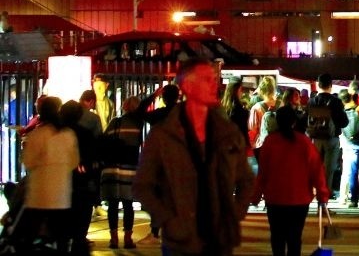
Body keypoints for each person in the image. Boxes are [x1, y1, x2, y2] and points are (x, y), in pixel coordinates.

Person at [133, 57, 255, 256]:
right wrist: (168, 220)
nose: (214, 84)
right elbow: (142, 186)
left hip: (219, 240)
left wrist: (234, 214)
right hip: (181, 242)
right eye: (206, 79)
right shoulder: (164, 135)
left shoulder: (227, 132)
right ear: (188, 86)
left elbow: (247, 180)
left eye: (214, 79)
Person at [252, 105, 331, 256]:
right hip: (299, 199)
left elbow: (263, 173)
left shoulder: (270, 142)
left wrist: (256, 195)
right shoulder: (304, 142)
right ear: (294, 122)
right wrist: (322, 194)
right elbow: (317, 170)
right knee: (294, 237)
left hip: (275, 198)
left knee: (277, 237)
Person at [19, 95, 79, 254]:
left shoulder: (37, 135)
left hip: (38, 195)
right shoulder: (68, 135)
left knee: (30, 236)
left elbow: (28, 161)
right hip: (61, 195)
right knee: (61, 238)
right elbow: (74, 162)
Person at [99, 95, 144, 249]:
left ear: (124, 107)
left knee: (113, 205)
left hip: (112, 167)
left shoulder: (114, 122)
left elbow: (103, 140)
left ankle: (114, 239)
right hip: (129, 167)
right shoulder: (138, 124)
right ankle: (128, 239)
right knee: (128, 205)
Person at [59, 99, 100, 256]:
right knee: (80, 224)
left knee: (62, 231)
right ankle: (78, 244)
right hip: (82, 183)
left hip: (61, 184)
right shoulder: (85, 133)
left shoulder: (57, 133)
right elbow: (93, 157)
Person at [306, 72, 348, 203]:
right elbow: (343, 122)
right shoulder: (336, 102)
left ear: (318, 85)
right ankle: (323, 202)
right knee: (328, 171)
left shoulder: (312, 101)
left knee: (315, 169)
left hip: (315, 139)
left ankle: (312, 196)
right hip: (331, 140)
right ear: (330, 85)